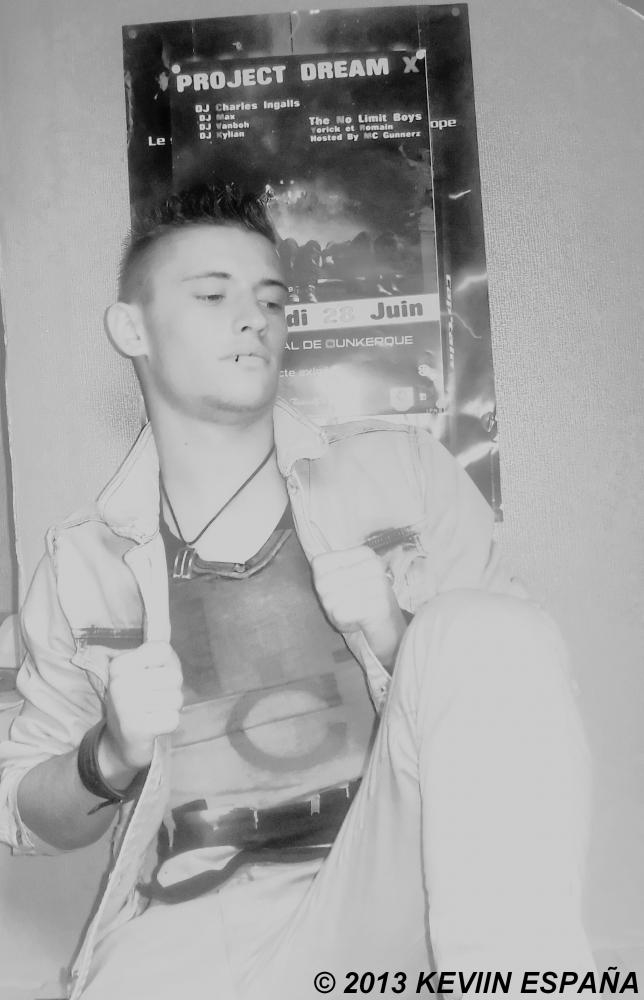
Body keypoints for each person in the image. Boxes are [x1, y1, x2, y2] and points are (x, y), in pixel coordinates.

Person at [0, 185, 593, 1000]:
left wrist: (398, 635)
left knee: (486, 627)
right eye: (213, 296)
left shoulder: (402, 475)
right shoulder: (82, 566)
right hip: (188, 922)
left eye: (272, 299)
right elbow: (25, 815)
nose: (254, 318)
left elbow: (513, 699)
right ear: (131, 329)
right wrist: (110, 755)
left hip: (387, 884)